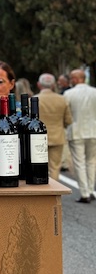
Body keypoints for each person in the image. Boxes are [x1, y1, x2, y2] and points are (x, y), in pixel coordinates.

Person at [64, 69, 96, 203]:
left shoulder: (68, 94)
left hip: (76, 131)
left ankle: (84, 193)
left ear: (76, 79)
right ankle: (90, 190)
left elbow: (66, 113)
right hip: (93, 130)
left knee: (79, 163)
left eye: (71, 78)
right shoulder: (94, 92)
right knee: (91, 161)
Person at [35, 73, 72, 181]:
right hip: (57, 137)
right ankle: (54, 189)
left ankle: (41, 187)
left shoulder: (33, 100)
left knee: (38, 165)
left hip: (37, 138)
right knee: (55, 167)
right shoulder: (62, 99)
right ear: (53, 85)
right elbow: (68, 120)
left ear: (39, 84)